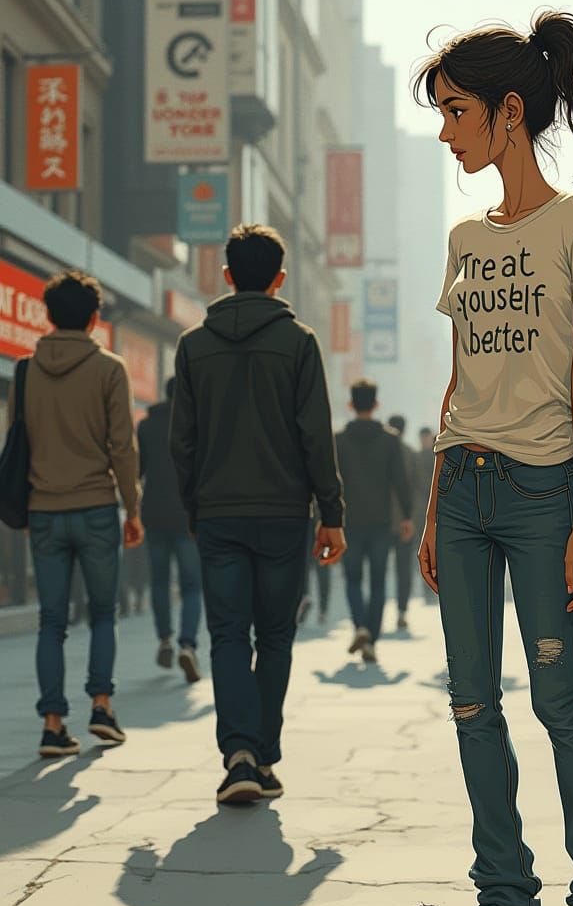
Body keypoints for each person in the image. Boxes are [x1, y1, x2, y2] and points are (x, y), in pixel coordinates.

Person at [413, 11, 573, 906]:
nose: (445, 130)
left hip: (546, 495)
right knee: (470, 703)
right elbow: (458, 380)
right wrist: (429, 504)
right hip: (460, 487)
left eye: (456, 111)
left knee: (560, 703)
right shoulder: (464, 236)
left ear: (510, 112)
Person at [170, 224, 346, 805]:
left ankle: (240, 753)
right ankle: (259, 755)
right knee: (274, 635)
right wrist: (331, 512)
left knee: (225, 634)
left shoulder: (193, 345)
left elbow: (183, 442)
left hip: (218, 512)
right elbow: (316, 435)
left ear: (225, 277)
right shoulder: (298, 343)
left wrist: (194, 505)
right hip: (281, 513)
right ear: (280, 279)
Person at [11, 271, 143, 758]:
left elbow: (19, 442)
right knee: (103, 613)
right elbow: (123, 447)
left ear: (48, 315)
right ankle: (102, 706)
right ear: (94, 318)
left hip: (44, 509)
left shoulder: (26, 370)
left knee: (51, 620)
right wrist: (133, 508)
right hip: (95, 509)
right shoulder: (110, 369)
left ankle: (51, 723)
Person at [334, 382, 413, 662]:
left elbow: (331, 483)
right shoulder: (390, 440)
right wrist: (406, 516)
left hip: (349, 521)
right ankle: (371, 639)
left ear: (351, 404)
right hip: (381, 522)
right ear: (376, 404)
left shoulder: (339, 441)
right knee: (378, 582)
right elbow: (400, 482)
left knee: (353, 579)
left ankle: (360, 626)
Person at [138, 377, 203, 683]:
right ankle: (187, 644)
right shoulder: (196, 427)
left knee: (159, 583)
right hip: (187, 517)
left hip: (153, 515)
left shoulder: (147, 426)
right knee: (192, 586)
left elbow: (138, 472)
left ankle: (164, 639)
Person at [387, 414, 418, 630]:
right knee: (403, 568)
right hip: (405, 521)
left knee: (377, 568)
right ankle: (402, 610)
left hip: (382, 520)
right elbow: (415, 488)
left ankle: (374, 613)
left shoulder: (379, 450)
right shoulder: (410, 454)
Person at [416, 427, 440, 603]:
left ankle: (435, 587)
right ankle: (427, 588)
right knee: (425, 552)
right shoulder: (417, 458)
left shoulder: (436, 458)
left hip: (436, 512)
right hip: (421, 512)